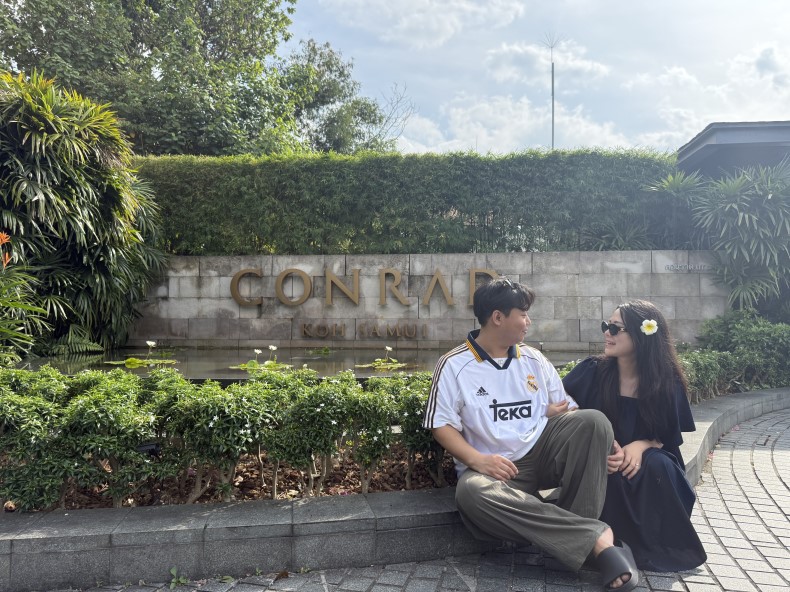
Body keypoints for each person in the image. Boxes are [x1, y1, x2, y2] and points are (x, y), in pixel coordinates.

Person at [423, 278, 639, 591]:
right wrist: (478, 460)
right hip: (496, 471)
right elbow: (440, 425)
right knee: (471, 493)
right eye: (523, 314)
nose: (529, 321)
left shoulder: (534, 359)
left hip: (542, 453)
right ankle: (595, 541)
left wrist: (606, 441)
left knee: (594, 421)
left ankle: (581, 539)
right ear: (498, 317)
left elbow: (567, 409)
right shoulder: (454, 365)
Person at [562, 300, 707, 572]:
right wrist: (600, 449)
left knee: (657, 465)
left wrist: (641, 445)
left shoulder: (665, 382)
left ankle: (653, 547)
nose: (607, 333)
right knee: (613, 473)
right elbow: (563, 410)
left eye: (615, 329)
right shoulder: (592, 371)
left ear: (643, 335)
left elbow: (667, 436)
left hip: (649, 459)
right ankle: (604, 544)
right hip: (600, 459)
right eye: (606, 326)